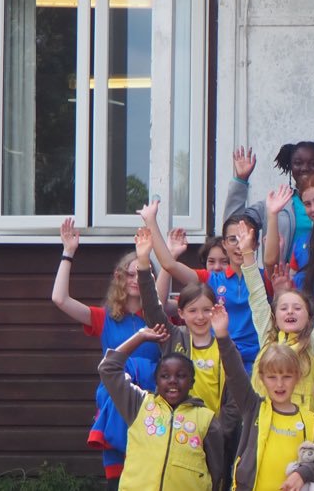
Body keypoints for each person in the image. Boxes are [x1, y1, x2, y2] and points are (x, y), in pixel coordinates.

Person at [51, 219, 157, 482]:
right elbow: (59, 299)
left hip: (151, 407)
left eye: (141, 274)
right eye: (130, 274)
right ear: (119, 278)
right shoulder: (105, 317)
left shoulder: (158, 316)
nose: (135, 280)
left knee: (151, 478)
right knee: (117, 481)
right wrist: (68, 252)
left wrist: (168, 255)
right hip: (116, 408)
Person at [98, 316, 240, 488]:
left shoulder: (207, 421)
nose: (173, 381)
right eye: (165, 376)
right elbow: (108, 369)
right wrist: (140, 336)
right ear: (156, 380)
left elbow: (216, 473)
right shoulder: (138, 404)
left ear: (192, 383)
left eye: (181, 376)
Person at [239, 217, 314, 412]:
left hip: (301, 430)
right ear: (274, 316)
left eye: (297, 308)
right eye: (283, 308)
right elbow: (257, 296)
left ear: (309, 316)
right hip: (264, 426)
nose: (290, 311)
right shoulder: (268, 338)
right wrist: (248, 253)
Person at [142, 200, 265, 367]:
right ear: (224, 244)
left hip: (256, 362)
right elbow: (169, 264)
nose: (239, 245)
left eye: (245, 238)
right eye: (232, 239)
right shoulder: (211, 280)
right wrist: (150, 221)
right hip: (217, 360)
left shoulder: (264, 278)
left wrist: (271, 214)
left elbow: (271, 258)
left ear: (256, 243)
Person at [132, 228, 227, 412]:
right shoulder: (173, 337)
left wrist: (221, 430)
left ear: (215, 311)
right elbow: (152, 309)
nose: (200, 317)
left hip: (211, 431)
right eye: (192, 310)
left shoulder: (225, 347)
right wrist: (144, 263)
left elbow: (231, 401)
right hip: (175, 427)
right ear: (181, 313)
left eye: (206, 310)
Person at [224, 340, 314, 490]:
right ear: (262, 378)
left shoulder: (311, 420)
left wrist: (302, 474)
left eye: (287, 376)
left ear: (298, 376)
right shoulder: (253, 408)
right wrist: (222, 335)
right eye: (272, 377)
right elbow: (234, 373)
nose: (280, 384)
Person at [226, 142, 314, 265]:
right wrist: (240, 180)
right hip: (285, 280)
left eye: (313, 163)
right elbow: (233, 225)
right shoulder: (275, 204)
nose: (305, 168)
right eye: (298, 163)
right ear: (290, 166)